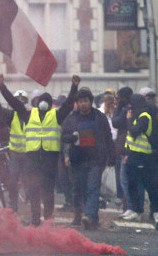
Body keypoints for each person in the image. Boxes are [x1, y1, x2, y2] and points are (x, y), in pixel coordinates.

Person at [0, 74, 79, 226]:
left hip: (50, 158)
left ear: (50, 104)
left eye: (47, 101)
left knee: (48, 190)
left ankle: (48, 219)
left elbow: (68, 104)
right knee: (33, 188)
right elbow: (14, 103)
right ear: (37, 102)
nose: (44, 104)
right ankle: (35, 219)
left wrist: (74, 87)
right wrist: (2, 86)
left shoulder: (57, 115)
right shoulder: (29, 114)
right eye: (42, 101)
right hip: (32, 158)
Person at [62, 88, 115, 230]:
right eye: (80, 101)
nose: (83, 104)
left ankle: (90, 216)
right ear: (77, 103)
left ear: (90, 102)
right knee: (79, 189)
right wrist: (71, 139)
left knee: (93, 188)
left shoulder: (99, 117)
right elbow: (63, 136)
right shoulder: (72, 118)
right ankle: (84, 216)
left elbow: (108, 137)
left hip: (96, 160)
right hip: (78, 160)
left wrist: (111, 156)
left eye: (86, 101)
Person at [122, 94, 158, 223]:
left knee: (149, 185)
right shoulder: (137, 116)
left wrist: (128, 120)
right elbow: (129, 138)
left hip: (144, 156)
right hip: (133, 155)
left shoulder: (144, 117)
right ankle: (136, 210)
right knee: (132, 184)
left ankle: (155, 211)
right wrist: (127, 153)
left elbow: (134, 131)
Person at [112, 87, 138, 217]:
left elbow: (116, 122)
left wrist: (118, 108)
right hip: (123, 147)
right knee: (123, 180)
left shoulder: (127, 109)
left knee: (125, 180)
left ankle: (130, 207)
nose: (117, 100)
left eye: (119, 97)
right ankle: (127, 206)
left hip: (127, 148)